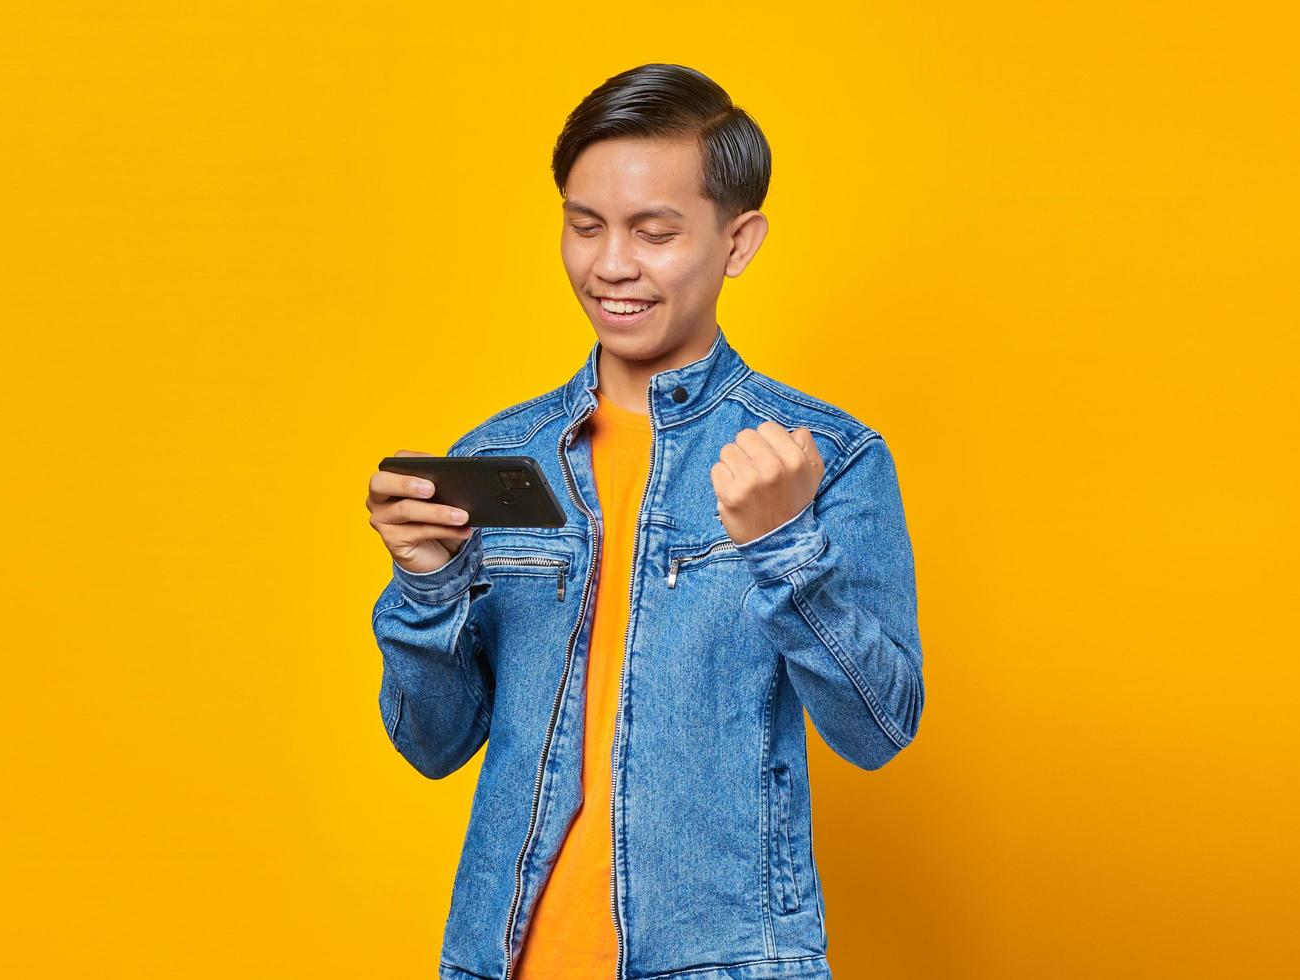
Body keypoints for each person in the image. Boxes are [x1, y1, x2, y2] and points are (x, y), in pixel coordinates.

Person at [365, 63, 925, 980]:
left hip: (728, 960)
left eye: (653, 232)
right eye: (585, 226)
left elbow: (879, 728)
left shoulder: (826, 455)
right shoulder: (504, 456)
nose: (611, 263)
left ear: (739, 241)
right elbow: (431, 744)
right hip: (502, 957)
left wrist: (784, 547)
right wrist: (428, 583)